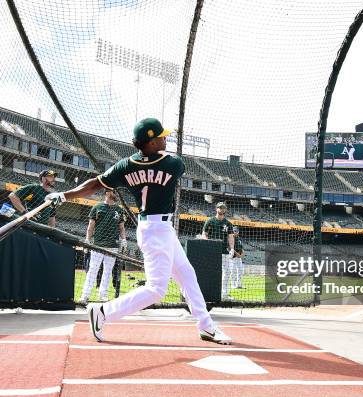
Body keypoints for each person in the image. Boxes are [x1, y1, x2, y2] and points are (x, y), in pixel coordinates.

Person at [46, 118, 231, 345]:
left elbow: (95, 183)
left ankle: (206, 326)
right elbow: (164, 167)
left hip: (155, 228)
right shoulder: (173, 163)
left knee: (186, 273)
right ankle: (103, 312)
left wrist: (64, 195)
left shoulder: (127, 165)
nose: (165, 138)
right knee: (156, 289)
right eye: (160, 136)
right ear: (151, 142)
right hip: (157, 230)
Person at [79, 189, 128, 304]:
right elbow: (91, 226)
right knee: (92, 270)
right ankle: (85, 295)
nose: (116, 193)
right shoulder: (97, 207)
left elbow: (121, 227)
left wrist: (124, 239)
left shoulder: (119, 209)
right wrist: (87, 240)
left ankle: (103, 295)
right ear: (107, 193)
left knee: (107, 271)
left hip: (113, 246)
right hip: (98, 245)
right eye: (113, 192)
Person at [201, 202, 235, 299]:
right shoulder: (210, 221)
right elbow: (204, 234)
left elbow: (231, 237)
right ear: (216, 209)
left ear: (226, 210)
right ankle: (208, 293)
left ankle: (224, 294)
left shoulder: (228, 224)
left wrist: (232, 248)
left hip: (224, 251)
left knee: (227, 272)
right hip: (212, 252)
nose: (221, 209)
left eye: (223, 208)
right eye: (220, 208)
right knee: (210, 272)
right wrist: (207, 243)